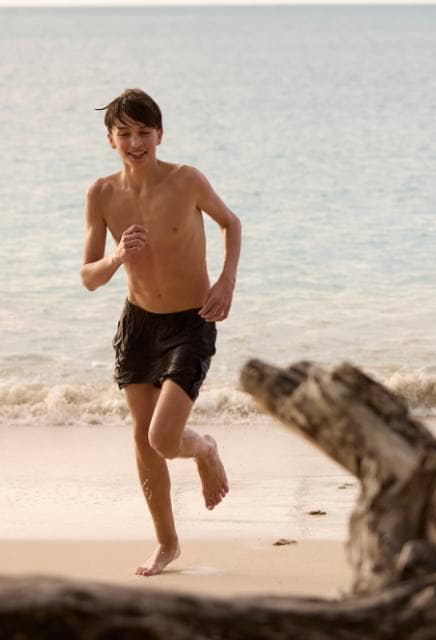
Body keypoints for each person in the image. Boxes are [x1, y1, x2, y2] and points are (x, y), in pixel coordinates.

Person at [80, 88, 242, 576]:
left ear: (159, 135)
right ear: (110, 139)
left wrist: (226, 282)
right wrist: (116, 256)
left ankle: (205, 448)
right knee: (143, 438)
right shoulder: (102, 194)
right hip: (138, 324)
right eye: (124, 133)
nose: (135, 142)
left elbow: (231, 224)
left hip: (192, 320)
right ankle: (167, 544)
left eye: (144, 133)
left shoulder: (186, 180)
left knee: (165, 437)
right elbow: (89, 275)